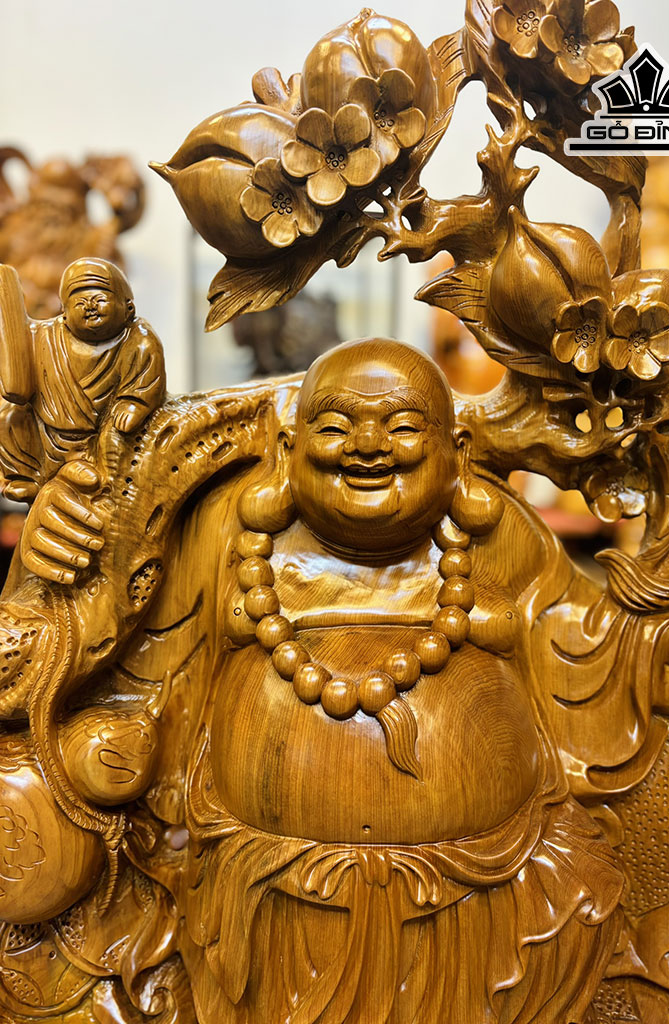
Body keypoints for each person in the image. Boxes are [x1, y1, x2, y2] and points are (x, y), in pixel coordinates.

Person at [3, 338, 623, 1024]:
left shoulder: (502, 538)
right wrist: (58, 561)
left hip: (486, 901)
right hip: (263, 907)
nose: (368, 446)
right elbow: (128, 668)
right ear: (288, 448)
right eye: (334, 427)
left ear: (458, 452)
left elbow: (598, 653)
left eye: (403, 426)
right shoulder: (226, 537)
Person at [0, 257, 165, 499]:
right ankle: (27, 476)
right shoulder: (45, 337)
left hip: (100, 436)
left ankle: (86, 471)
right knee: (9, 419)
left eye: (100, 299)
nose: (90, 306)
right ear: (64, 314)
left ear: (128, 308)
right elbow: (16, 352)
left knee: (124, 434)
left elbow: (146, 382)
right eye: (79, 302)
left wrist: (133, 404)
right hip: (48, 436)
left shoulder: (139, 339)